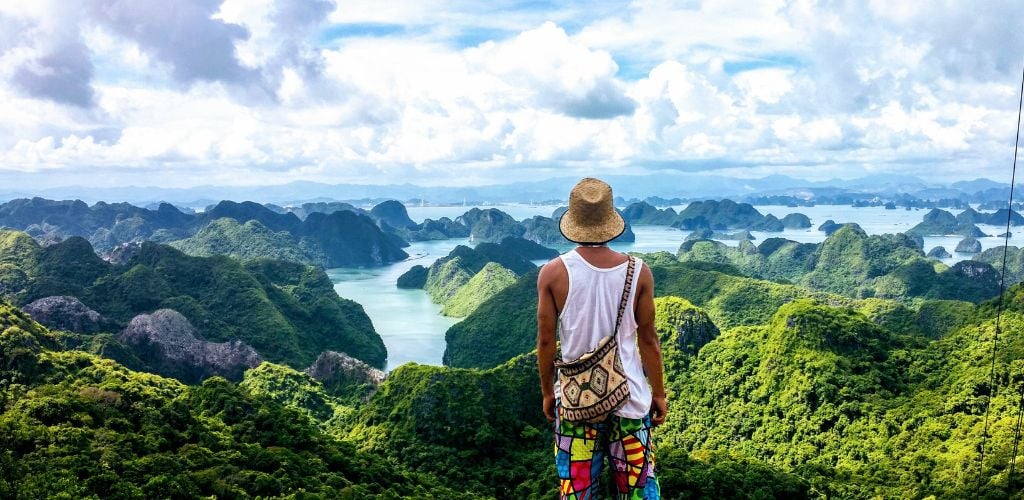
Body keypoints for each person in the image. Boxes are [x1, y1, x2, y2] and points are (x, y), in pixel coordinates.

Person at [537, 177, 666, 500]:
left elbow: (545, 343)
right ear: (611, 222)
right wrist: (659, 393)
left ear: (573, 222)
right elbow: (648, 340)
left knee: (577, 492)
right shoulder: (639, 271)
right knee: (637, 491)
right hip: (631, 399)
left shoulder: (552, 273)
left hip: (576, 401)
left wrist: (547, 392)